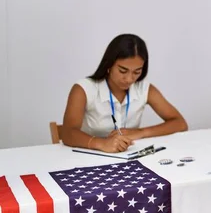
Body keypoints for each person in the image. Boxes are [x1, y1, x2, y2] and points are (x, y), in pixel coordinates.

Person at [60, 34, 188, 153]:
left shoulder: (144, 88)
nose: (129, 79)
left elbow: (180, 123)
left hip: (127, 159)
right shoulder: (83, 89)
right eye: (122, 71)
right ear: (109, 65)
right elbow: (67, 133)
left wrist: (139, 132)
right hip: (86, 159)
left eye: (137, 72)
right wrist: (102, 144)